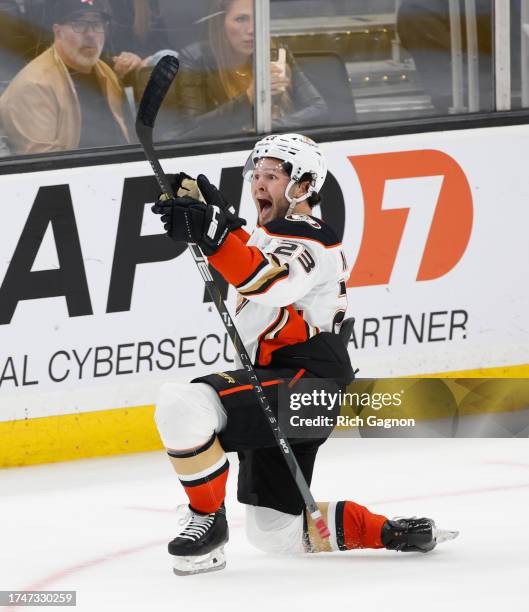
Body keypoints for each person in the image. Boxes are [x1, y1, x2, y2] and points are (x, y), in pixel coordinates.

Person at [150, 133, 457, 575]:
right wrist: (214, 217)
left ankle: (207, 520)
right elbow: (256, 250)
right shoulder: (274, 233)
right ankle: (390, 531)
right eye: (256, 175)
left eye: (272, 176)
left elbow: (273, 282)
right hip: (294, 388)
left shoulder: (311, 237)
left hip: (305, 387)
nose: (259, 184)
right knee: (275, 531)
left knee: (184, 404)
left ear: (304, 185)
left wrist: (214, 233)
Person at [165, 0, 328, 140]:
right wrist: (249, 98)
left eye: (257, 18)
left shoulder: (276, 52)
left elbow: (319, 109)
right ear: (221, 24)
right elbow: (192, 129)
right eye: (241, 19)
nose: (252, 29)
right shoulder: (194, 59)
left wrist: (264, 128)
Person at [0, 0, 129, 154]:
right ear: (58, 32)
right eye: (79, 24)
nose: (90, 34)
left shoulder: (105, 73)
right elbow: (44, 167)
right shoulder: (34, 86)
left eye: (97, 24)